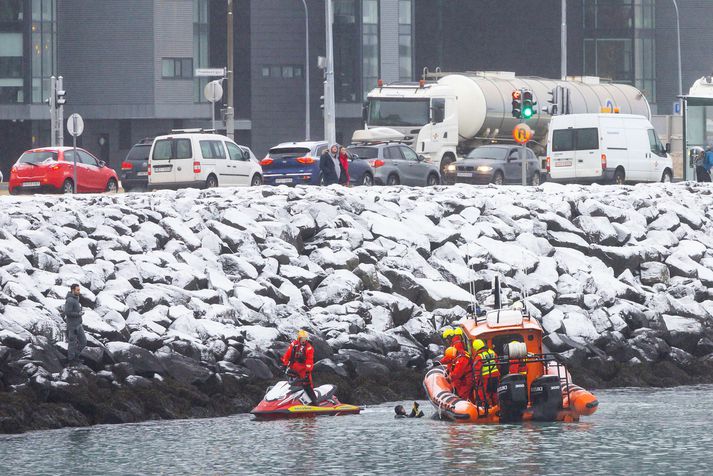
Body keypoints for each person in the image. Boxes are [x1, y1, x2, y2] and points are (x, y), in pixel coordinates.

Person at [282, 330, 317, 404]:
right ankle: (288, 401)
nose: (303, 340)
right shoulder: (294, 344)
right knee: (291, 384)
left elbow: (309, 360)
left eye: (305, 338)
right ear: (299, 338)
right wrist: (284, 365)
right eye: (302, 338)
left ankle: (315, 402)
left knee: (307, 385)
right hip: (294, 368)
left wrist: (308, 371)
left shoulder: (309, 348)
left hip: (304, 369)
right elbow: (287, 355)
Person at [472, 339, 500, 406]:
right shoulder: (492, 352)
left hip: (485, 378)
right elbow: (498, 364)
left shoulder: (479, 356)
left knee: (484, 394)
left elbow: (477, 370)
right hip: (496, 376)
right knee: (495, 393)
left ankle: (488, 408)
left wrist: (476, 380)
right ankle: (497, 407)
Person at [63, 283, 86, 366]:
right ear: (73, 290)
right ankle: (71, 360)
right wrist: (78, 314)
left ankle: (76, 357)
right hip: (72, 326)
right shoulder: (70, 300)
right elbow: (67, 312)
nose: (79, 291)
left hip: (78, 324)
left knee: (83, 342)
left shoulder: (76, 298)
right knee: (72, 343)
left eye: (79, 290)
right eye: (77, 290)